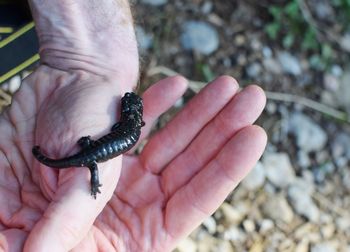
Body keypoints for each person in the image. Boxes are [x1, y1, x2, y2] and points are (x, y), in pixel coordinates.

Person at [0, 0, 267, 251]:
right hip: (92, 151)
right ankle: (58, 162)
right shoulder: (132, 126)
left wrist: (88, 64)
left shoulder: (129, 125)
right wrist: (88, 64)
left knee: (89, 157)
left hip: (93, 148)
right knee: (89, 158)